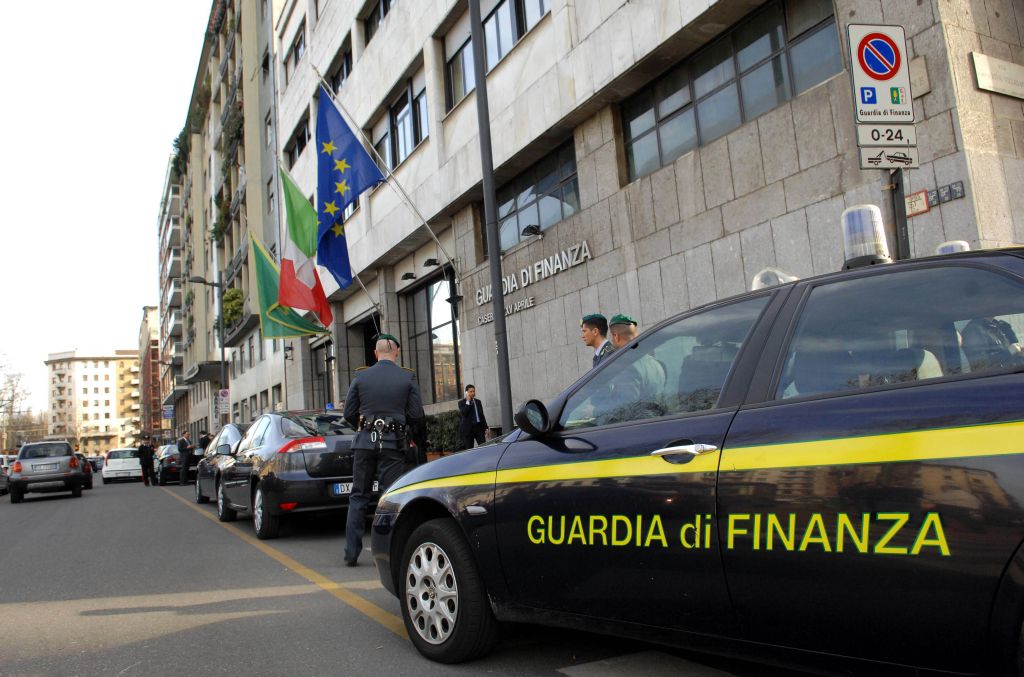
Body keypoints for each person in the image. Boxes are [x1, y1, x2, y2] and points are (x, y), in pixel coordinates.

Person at [342, 333, 424, 566]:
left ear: (375, 353)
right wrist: (402, 427)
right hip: (393, 444)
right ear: (396, 352)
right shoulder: (407, 377)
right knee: (389, 498)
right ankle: (387, 552)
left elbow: (348, 413)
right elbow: (416, 414)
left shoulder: (361, 376)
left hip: (364, 444)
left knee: (358, 496)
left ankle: (351, 553)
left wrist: (364, 428)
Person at [609, 313, 667, 402]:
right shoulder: (656, 363)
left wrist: (596, 408)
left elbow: (623, 406)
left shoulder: (628, 368)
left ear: (616, 337)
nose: (612, 341)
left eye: (612, 337)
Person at [457, 384, 490, 450]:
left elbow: (481, 415)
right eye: (471, 391)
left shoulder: (478, 402)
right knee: (469, 449)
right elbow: (464, 413)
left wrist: (486, 428)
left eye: (473, 391)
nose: (473, 393)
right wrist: (468, 401)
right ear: (466, 392)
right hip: (468, 429)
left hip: (479, 428)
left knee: (483, 447)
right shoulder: (461, 402)